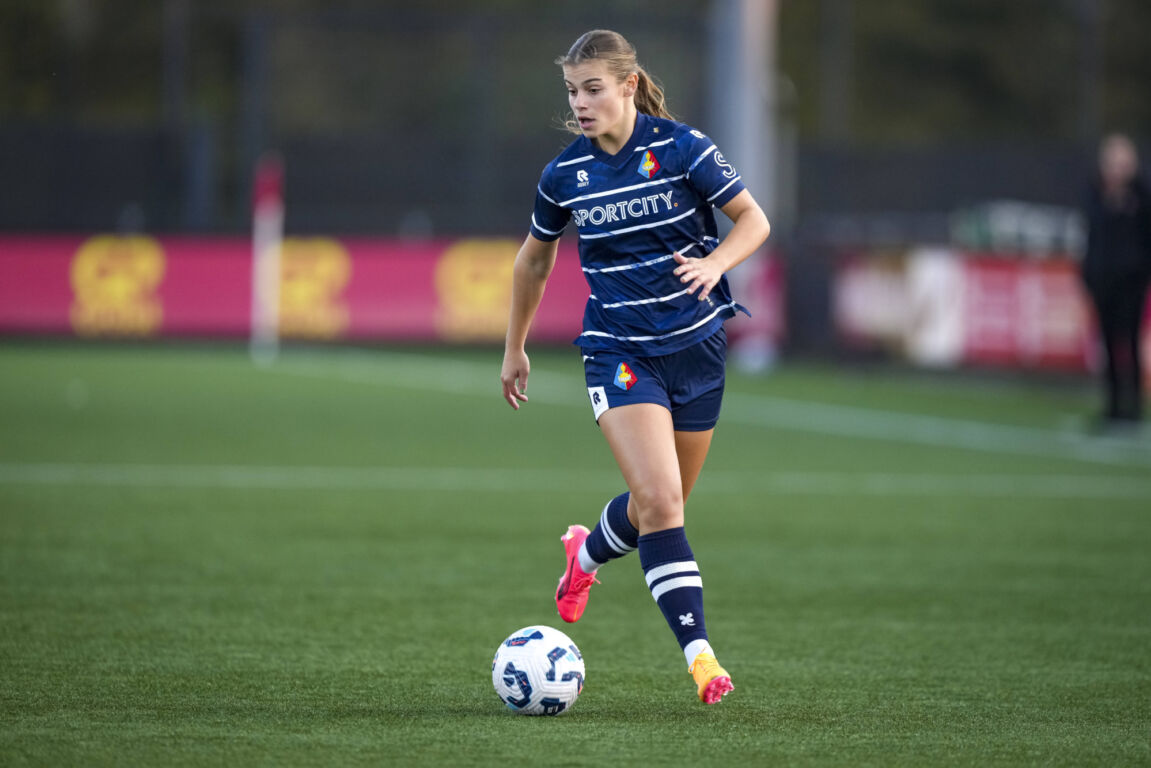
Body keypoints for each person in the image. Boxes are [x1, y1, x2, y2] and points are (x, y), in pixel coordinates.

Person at [499, 29, 770, 705]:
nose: (580, 103)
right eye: (571, 91)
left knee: (663, 504)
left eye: (592, 89)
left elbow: (752, 221)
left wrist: (715, 263)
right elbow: (533, 259)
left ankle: (584, 555)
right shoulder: (566, 173)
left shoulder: (682, 149)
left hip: (698, 349)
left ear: (627, 84)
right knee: (660, 502)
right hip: (619, 352)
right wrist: (515, 346)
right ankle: (701, 658)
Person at [1082, 133, 1151, 428]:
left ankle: (1133, 406)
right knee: (1108, 343)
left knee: (1130, 340)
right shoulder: (1095, 194)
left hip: (1132, 281)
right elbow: (1092, 237)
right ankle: (1112, 406)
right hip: (1102, 279)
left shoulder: (1141, 197)